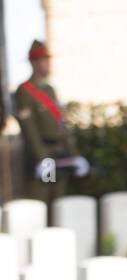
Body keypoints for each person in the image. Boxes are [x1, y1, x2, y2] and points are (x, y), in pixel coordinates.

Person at [13, 40, 87, 204]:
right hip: (44, 156)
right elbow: (29, 129)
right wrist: (42, 159)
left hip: (59, 154)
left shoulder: (49, 90)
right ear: (34, 63)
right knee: (42, 203)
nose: (48, 64)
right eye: (43, 61)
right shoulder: (25, 91)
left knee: (59, 202)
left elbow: (61, 124)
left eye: (48, 60)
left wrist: (75, 155)